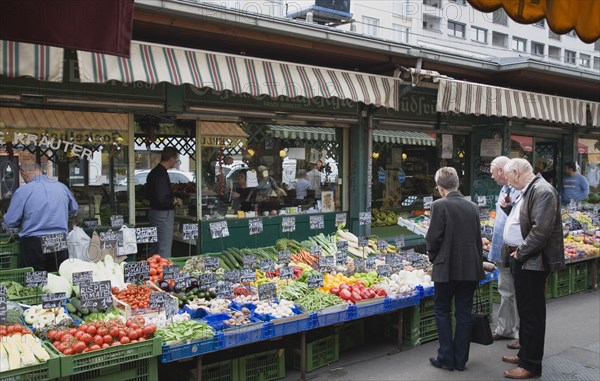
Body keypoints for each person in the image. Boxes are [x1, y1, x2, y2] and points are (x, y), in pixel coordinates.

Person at [501, 158, 565, 379]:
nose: (508, 183)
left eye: (509, 178)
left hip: (531, 261)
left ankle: (530, 365)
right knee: (526, 312)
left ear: (517, 173)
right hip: (525, 260)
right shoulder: (529, 190)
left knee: (532, 314)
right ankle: (524, 354)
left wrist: (520, 252)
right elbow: (525, 222)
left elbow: (541, 230)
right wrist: (508, 209)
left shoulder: (543, 191)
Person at [426, 167, 485, 372]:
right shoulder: (473, 207)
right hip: (470, 266)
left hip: (446, 266)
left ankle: (446, 357)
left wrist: (433, 257)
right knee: (463, 312)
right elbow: (478, 239)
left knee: (442, 310)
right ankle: (461, 359)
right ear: (457, 184)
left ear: (441, 188)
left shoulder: (439, 205)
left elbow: (433, 238)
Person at [3, 158, 78, 272]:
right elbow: (74, 209)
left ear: (24, 173)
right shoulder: (61, 187)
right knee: (58, 277)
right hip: (58, 240)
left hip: (34, 243)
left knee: (36, 283)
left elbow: (10, 221)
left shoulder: (23, 191)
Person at [488, 156, 521, 350]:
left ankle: (518, 332)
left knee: (516, 292)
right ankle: (504, 328)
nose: (492, 176)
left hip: (513, 249)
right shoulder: (504, 188)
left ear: (501, 170)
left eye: (493, 172)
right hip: (501, 248)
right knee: (505, 289)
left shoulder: (518, 190)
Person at [146, 147, 182, 258]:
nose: (176, 162)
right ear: (171, 159)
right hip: (163, 215)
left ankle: (153, 270)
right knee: (164, 246)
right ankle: (164, 272)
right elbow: (162, 199)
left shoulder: (153, 173)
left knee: (155, 245)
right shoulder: (161, 175)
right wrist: (174, 200)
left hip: (153, 212)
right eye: (176, 160)